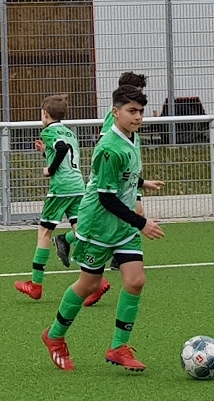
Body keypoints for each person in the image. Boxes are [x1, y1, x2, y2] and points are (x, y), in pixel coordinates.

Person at [40, 85, 166, 373]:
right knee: (90, 284)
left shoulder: (132, 137)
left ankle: (118, 347)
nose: (138, 117)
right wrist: (142, 222)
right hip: (98, 225)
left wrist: (141, 183)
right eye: (132, 111)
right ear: (115, 112)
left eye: (141, 112)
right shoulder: (108, 148)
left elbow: (124, 174)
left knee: (135, 281)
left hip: (122, 225)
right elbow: (106, 197)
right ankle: (54, 336)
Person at [52, 71, 148, 276]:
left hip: (126, 179)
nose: (138, 111)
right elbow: (106, 145)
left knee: (128, 218)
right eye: (136, 91)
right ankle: (115, 255)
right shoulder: (114, 123)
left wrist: (141, 181)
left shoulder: (131, 125)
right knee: (132, 215)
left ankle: (69, 240)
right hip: (114, 180)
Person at [14, 95, 85, 301]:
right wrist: (46, 152)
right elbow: (65, 151)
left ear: (45, 114)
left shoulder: (48, 131)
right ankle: (95, 281)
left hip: (61, 188)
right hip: (78, 186)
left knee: (44, 232)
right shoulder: (70, 132)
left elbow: (61, 149)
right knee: (81, 231)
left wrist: (50, 169)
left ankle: (35, 285)